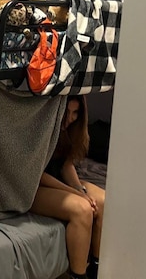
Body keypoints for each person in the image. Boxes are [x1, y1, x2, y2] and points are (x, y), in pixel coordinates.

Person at [30, 95, 104, 279]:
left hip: (57, 180)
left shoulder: (71, 130)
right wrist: (77, 195)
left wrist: (80, 189)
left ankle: (96, 267)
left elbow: (66, 164)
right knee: (82, 209)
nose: (70, 118)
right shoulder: (42, 127)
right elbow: (38, 175)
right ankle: (78, 275)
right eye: (66, 112)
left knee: (103, 202)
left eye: (75, 113)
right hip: (33, 185)